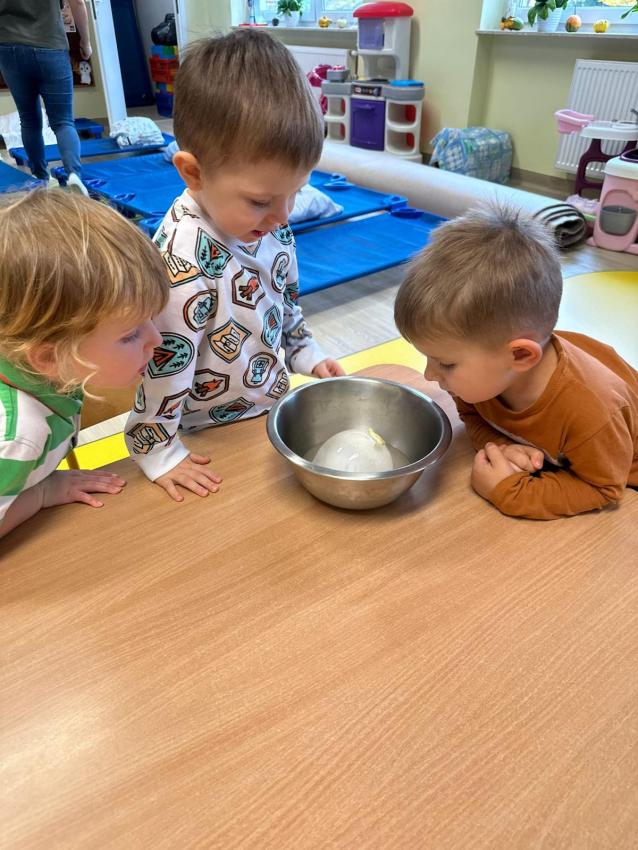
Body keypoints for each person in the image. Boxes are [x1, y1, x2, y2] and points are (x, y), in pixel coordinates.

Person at [124, 30, 344, 502]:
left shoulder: (270, 225)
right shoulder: (182, 263)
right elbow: (164, 367)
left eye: (295, 193)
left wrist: (305, 352)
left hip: (270, 410)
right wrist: (159, 450)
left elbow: (284, 305)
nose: (284, 215)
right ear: (193, 172)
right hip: (207, 437)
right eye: (262, 200)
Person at [394, 203, 638, 520]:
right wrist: (500, 445)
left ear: (520, 355)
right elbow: (473, 416)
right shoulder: (482, 379)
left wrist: (510, 492)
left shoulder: (592, 411)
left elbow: (604, 489)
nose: (429, 375)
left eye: (446, 364)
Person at [0, 190, 169, 539]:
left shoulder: (45, 367)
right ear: (49, 357)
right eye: (130, 335)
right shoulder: (17, 436)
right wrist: (43, 492)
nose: (157, 340)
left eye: (151, 319)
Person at [0, 0, 91, 193]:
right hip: (50, 44)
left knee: (29, 120)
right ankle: (73, 174)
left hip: (9, 47)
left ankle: (40, 178)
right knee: (63, 121)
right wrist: (85, 41)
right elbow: (78, 3)